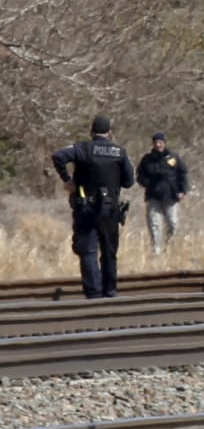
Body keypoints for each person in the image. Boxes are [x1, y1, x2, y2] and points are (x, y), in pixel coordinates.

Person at [51, 116, 135, 298]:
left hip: (86, 209)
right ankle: (110, 291)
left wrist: (67, 180)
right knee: (109, 251)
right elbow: (129, 181)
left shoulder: (83, 149)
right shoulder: (119, 152)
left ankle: (93, 293)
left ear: (91, 133)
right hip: (110, 210)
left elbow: (58, 156)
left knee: (88, 251)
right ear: (110, 133)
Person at [136, 132, 189, 255]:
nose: (158, 145)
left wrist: (183, 190)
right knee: (155, 225)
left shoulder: (173, 157)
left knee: (173, 223)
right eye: (156, 142)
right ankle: (157, 251)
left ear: (164, 143)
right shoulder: (147, 159)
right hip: (153, 196)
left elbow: (183, 173)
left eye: (160, 142)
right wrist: (147, 183)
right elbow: (139, 175)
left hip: (171, 196)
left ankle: (169, 247)